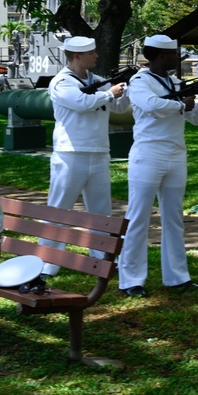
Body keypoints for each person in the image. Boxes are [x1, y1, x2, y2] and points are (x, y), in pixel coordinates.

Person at [117, 35, 198, 298]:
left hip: (176, 154)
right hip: (148, 153)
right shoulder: (140, 81)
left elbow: (196, 119)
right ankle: (131, 279)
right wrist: (180, 104)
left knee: (174, 218)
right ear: (161, 56)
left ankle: (177, 276)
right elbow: (151, 105)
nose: (178, 58)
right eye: (174, 55)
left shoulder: (175, 83)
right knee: (138, 217)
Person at [39, 36, 130, 277]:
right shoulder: (61, 82)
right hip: (71, 153)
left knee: (101, 212)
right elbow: (81, 102)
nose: (97, 56)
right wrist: (109, 94)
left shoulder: (99, 81)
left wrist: (125, 89)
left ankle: (102, 258)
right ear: (77, 56)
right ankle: (48, 262)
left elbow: (119, 108)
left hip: (99, 151)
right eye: (92, 53)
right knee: (59, 209)